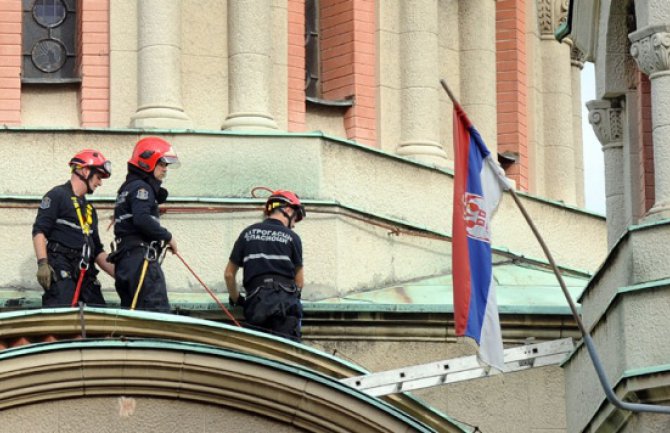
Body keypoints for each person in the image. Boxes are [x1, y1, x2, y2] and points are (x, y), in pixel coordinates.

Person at [32, 149, 114, 307]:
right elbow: (39, 231)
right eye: (98, 177)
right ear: (84, 171)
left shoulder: (90, 209)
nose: (100, 183)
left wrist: (120, 274)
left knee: (99, 317)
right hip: (61, 264)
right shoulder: (57, 195)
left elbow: (97, 251)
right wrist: (42, 263)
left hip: (85, 269)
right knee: (61, 315)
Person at [224, 190, 306, 341]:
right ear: (287, 210)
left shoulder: (247, 234)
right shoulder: (293, 238)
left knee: (259, 356)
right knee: (286, 357)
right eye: (295, 218)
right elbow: (299, 281)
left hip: (256, 304)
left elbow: (229, 274)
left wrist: (237, 299)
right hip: (285, 305)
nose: (293, 225)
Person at [111, 136, 179, 313]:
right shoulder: (142, 188)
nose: (165, 169)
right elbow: (142, 219)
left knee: (134, 320)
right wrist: (167, 236)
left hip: (126, 261)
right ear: (147, 161)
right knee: (156, 315)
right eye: (162, 163)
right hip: (140, 260)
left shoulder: (127, 188)